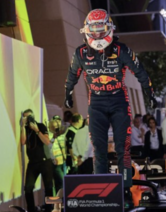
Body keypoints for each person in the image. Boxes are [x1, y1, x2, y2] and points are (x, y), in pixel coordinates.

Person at [64, 8, 157, 207]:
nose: (97, 35)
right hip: (96, 103)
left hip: (119, 101)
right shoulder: (80, 52)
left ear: (110, 29)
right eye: (94, 30)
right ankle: (101, 191)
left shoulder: (121, 50)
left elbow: (141, 72)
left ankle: (124, 189)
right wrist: (68, 93)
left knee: (123, 149)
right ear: (86, 31)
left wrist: (150, 94)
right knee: (99, 150)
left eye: (101, 29)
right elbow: (72, 75)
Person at [20, 109, 53, 212]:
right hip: (33, 163)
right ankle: (31, 209)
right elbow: (23, 141)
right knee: (28, 188)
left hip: (44, 161)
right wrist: (23, 126)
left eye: (30, 116)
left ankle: (50, 208)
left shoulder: (41, 126)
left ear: (33, 116)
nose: (29, 119)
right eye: (26, 117)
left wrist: (36, 130)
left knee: (48, 187)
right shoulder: (26, 129)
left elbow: (47, 142)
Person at [48, 118, 67, 193]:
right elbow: (49, 147)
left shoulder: (59, 135)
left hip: (62, 162)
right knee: (61, 182)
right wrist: (53, 158)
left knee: (59, 184)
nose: (56, 127)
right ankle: (59, 201)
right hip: (55, 163)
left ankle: (59, 202)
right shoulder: (49, 135)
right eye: (54, 125)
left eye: (57, 125)